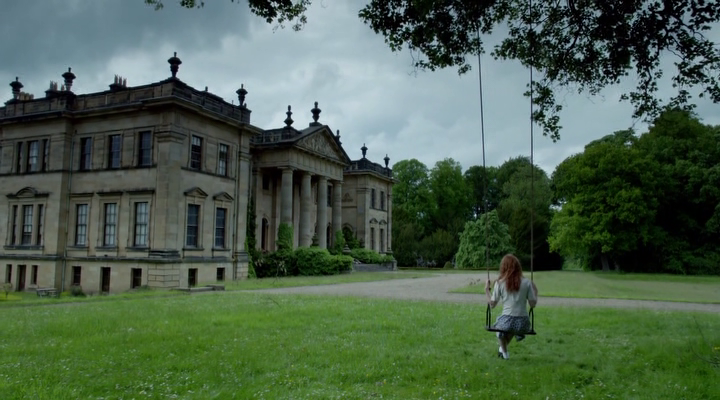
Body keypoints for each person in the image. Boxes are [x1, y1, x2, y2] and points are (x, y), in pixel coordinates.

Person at [484, 254, 538, 360]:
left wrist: (486, 290)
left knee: (501, 330)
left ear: (503, 267)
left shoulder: (500, 283)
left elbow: (492, 304)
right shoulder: (527, 283)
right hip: (523, 323)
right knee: (511, 328)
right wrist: (535, 292)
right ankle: (501, 350)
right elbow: (533, 304)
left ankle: (505, 355)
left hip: (507, 321)